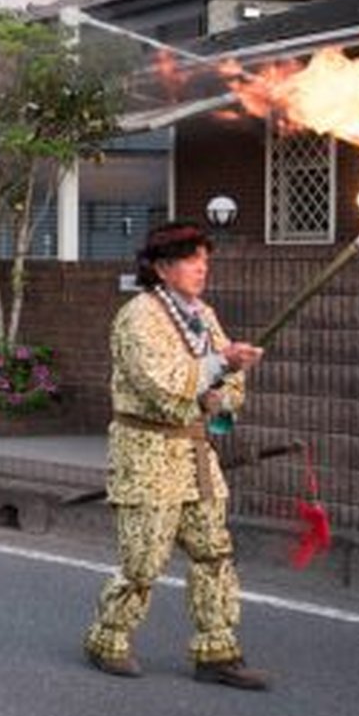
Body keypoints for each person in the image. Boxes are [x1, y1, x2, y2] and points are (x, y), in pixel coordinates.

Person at [84, 221, 270, 690]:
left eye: (205, 260)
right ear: (163, 268)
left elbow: (226, 384)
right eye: (192, 260)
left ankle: (217, 648)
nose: (202, 268)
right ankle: (109, 637)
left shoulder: (203, 315)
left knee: (214, 552)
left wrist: (223, 388)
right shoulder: (137, 316)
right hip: (147, 453)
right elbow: (158, 383)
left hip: (195, 454)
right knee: (143, 559)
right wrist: (220, 364)